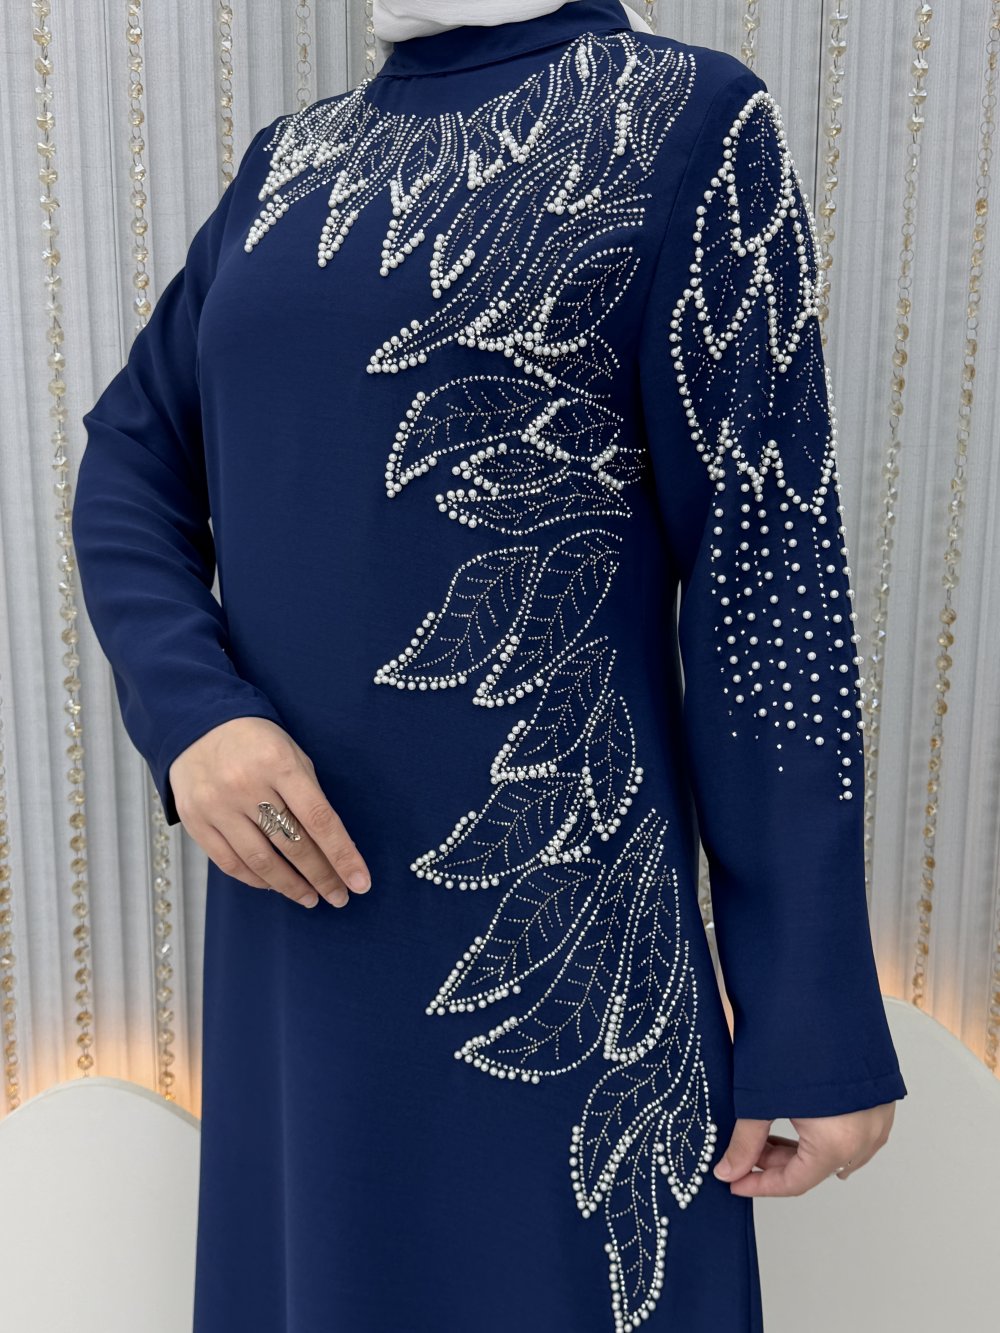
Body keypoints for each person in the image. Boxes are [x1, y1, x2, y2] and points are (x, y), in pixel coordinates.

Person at [71, 1, 907, 1328]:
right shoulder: (292, 165)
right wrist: (192, 717)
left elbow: (765, 566)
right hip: (298, 945)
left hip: (555, 959)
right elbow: (131, 458)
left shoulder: (686, 118)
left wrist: (812, 1011)